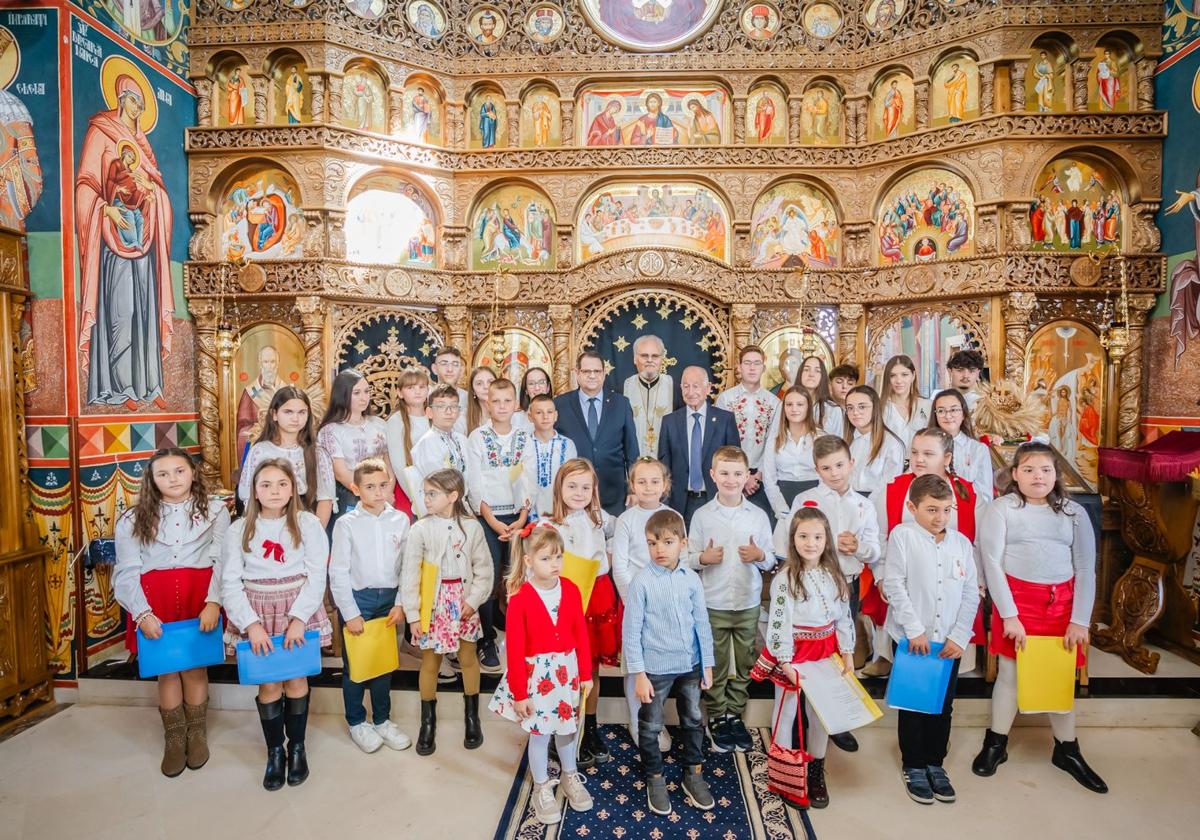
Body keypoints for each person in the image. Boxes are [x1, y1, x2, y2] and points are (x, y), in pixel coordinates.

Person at [973, 443, 1106, 793]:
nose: (1038, 476)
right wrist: (1010, 616)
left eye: (1046, 470)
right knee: (1011, 674)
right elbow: (992, 563)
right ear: (1015, 474)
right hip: (1017, 603)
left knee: (1060, 676)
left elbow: (1085, 567)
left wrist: (1080, 620)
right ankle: (995, 744)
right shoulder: (1002, 509)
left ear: (1056, 475)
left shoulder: (1073, 512)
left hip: (1061, 606)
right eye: (1029, 469)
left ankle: (1067, 750)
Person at [114, 448, 230, 777]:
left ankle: (197, 733)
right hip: (154, 601)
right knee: (167, 671)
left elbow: (222, 557)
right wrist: (142, 614)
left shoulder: (216, 511)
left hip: (199, 595)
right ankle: (174, 737)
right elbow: (127, 570)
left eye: (179, 471)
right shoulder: (133, 518)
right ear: (151, 480)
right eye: (162, 474)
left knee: (194, 669)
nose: (172, 479)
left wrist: (214, 602)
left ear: (193, 472)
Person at [222, 459, 331, 791]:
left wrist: (299, 619)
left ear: (293, 488)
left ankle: (296, 748)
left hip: (296, 609)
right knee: (269, 684)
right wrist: (251, 625)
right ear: (253, 490)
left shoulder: (308, 524)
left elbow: (316, 575)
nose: (273, 491)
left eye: (281, 484)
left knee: (296, 680)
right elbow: (229, 582)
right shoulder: (239, 529)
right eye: (265, 484)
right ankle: (275, 752)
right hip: (257, 612)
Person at [882, 474, 980, 805]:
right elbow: (894, 584)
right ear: (912, 507)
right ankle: (913, 764)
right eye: (932, 510)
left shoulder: (961, 544)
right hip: (914, 639)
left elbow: (970, 593)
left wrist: (960, 635)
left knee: (943, 703)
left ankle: (935, 762)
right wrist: (914, 630)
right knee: (913, 703)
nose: (940, 518)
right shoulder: (902, 536)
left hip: (948, 642)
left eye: (946, 510)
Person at [488, 525, 594, 825]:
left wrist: (585, 673)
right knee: (540, 732)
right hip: (538, 678)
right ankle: (541, 785)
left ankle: (569, 776)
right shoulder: (520, 598)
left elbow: (580, 635)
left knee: (567, 729)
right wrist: (520, 694)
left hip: (567, 672)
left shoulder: (571, 589)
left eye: (559, 557)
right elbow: (516, 650)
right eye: (547, 558)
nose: (556, 564)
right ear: (529, 561)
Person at [862, 428, 983, 677]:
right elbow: (881, 536)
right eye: (915, 452)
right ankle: (888, 656)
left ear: (947, 458)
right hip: (905, 581)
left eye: (928, 453)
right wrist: (881, 576)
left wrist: (978, 583)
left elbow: (976, 543)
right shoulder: (894, 489)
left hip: (950, 584)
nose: (919, 459)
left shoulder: (967, 494)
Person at [758, 507, 855, 808]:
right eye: (803, 536)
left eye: (817, 536)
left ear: (826, 540)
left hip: (826, 651)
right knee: (786, 712)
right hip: (795, 653)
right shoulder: (785, 579)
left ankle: (815, 772)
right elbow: (778, 624)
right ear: (793, 539)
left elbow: (843, 618)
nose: (810, 543)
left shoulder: (834, 576)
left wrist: (848, 652)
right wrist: (785, 662)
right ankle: (785, 776)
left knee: (820, 714)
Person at [623, 509, 716, 816]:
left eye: (667, 542)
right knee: (650, 726)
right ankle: (655, 777)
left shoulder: (691, 579)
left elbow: (701, 622)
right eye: (652, 543)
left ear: (683, 543)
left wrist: (707, 664)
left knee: (692, 720)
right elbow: (631, 631)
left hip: (689, 665)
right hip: (654, 669)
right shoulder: (642, 582)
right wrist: (638, 674)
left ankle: (693, 773)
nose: (659, 549)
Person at [688, 446, 775, 753]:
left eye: (738, 474)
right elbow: (688, 559)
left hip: (748, 602)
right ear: (712, 476)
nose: (731, 479)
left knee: (747, 660)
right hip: (714, 602)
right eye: (723, 473)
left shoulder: (758, 515)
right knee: (718, 662)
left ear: (747, 476)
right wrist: (703, 557)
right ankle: (717, 715)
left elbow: (770, 560)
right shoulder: (701, 516)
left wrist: (760, 555)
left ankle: (735, 713)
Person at [402, 469, 492, 756]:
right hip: (435, 604)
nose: (426, 498)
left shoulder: (471, 527)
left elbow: (484, 569)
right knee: (430, 661)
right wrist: (414, 615)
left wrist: (474, 600)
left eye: (432, 493)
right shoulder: (420, 529)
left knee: (467, 656)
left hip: (463, 602)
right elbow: (410, 575)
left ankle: (471, 716)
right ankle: (427, 721)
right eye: (425, 493)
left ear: (452, 496)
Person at [328, 458, 412, 754]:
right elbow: (338, 571)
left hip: (389, 600)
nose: (378, 492)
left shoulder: (401, 520)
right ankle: (356, 721)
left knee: (384, 662)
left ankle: (382, 719)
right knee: (356, 666)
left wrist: (401, 602)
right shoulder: (346, 524)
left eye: (383, 485)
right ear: (356, 489)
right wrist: (349, 613)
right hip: (358, 599)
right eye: (370, 487)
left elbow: (407, 567)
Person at [781, 436, 882, 679]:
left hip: (848, 581)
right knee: (814, 644)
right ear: (817, 469)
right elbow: (790, 541)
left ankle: (838, 698)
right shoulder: (805, 500)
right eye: (826, 468)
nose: (834, 473)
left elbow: (875, 549)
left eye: (839, 465)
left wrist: (858, 546)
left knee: (844, 641)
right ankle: (809, 693)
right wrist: (826, 545)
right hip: (810, 582)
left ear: (851, 463)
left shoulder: (864, 505)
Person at [548, 458, 618, 766]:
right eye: (572, 486)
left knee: (591, 668)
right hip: (567, 598)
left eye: (586, 487)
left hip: (598, 594)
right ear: (559, 487)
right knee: (566, 666)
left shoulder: (600, 518)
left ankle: (589, 727)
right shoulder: (551, 525)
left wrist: (614, 553)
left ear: (594, 490)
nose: (579, 492)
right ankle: (562, 727)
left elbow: (625, 529)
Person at [466, 378, 533, 672]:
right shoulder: (478, 438)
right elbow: (474, 482)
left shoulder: (524, 437)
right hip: (488, 517)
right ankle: (487, 638)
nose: (502, 406)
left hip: (518, 517)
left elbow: (526, 477)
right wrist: (492, 521)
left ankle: (520, 635)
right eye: (496, 401)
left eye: (508, 401)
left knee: (515, 577)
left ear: (516, 404)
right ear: (488, 403)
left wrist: (521, 517)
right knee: (488, 577)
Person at [611, 457, 673, 749]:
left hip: (664, 602)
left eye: (654, 481)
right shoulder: (626, 519)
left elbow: (677, 560)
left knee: (659, 665)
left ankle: (654, 722)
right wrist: (632, 600)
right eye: (642, 481)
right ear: (632, 485)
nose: (648, 487)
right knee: (636, 665)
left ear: (665, 485)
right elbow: (620, 566)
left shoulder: (673, 517)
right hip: (634, 601)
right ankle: (636, 722)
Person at [554, 351, 640, 515]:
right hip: (574, 496)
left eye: (597, 371)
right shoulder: (560, 404)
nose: (592, 376)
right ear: (577, 373)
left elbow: (632, 452)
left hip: (614, 494)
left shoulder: (621, 404)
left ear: (604, 373)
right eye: (586, 371)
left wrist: (633, 489)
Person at [238, 386, 334, 527]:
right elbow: (248, 496)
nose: (295, 418)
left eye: (302, 412)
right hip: (266, 523)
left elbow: (326, 499)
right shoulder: (260, 451)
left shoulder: (317, 453)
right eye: (288, 412)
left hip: (305, 523)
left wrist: (316, 535)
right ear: (274, 414)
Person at [657, 366, 740, 524]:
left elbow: (735, 463)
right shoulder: (670, 421)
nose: (690, 392)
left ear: (708, 388)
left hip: (716, 500)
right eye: (686, 386)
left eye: (696, 386)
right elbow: (664, 466)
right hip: (680, 503)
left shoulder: (725, 420)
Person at [317, 369, 392, 534]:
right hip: (351, 496)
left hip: (383, 496)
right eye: (356, 392)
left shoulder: (379, 424)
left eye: (366, 391)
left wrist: (386, 491)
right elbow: (341, 473)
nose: (364, 397)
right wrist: (371, 492)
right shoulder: (330, 431)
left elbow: (388, 463)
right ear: (342, 395)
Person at [716, 344, 781, 522]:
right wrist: (740, 476)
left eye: (757, 363)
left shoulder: (774, 402)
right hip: (730, 474)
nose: (752, 368)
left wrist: (757, 476)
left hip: (761, 477)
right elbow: (721, 441)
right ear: (739, 367)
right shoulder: (726, 399)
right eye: (747, 363)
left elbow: (772, 441)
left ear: (764, 368)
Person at [762, 386, 820, 517]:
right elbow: (769, 479)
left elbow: (825, 477)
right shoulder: (774, 440)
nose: (794, 409)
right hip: (782, 494)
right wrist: (780, 507)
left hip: (814, 494)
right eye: (789, 404)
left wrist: (817, 503)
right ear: (784, 408)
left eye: (800, 404)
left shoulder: (820, 438)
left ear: (808, 408)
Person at [929, 389, 994, 504]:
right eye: (941, 411)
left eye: (954, 410)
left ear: (963, 413)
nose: (948, 416)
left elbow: (985, 495)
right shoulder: (925, 446)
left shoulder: (978, 449)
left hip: (968, 511)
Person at [385, 368, 431, 517]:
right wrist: (418, 498)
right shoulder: (396, 421)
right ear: (399, 392)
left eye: (422, 387)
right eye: (411, 387)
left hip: (438, 488)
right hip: (411, 491)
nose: (417, 391)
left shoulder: (434, 416)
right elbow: (399, 465)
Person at [622, 335, 676, 457]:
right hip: (634, 463)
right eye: (644, 356)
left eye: (655, 356)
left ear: (662, 359)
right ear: (635, 359)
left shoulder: (674, 387)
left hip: (665, 463)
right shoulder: (624, 386)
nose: (650, 360)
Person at [526, 393, 576, 519]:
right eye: (539, 412)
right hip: (530, 514)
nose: (545, 417)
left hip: (561, 513)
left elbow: (572, 480)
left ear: (556, 416)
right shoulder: (524, 445)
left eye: (549, 412)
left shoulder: (567, 444)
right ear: (530, 417)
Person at [412, 384, 469, 480]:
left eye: (454, 406)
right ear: (429, 412)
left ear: (459, 412)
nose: (449, 411)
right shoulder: (427, 443)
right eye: (441, 406)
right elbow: (437, 481)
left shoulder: (462, 439)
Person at [881, 354, 932, 449]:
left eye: (904, 375)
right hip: (888, 463)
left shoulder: (927, 405)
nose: (899, 380)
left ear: (913, 376)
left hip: (919, 462)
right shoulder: (879, 408)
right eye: (893, 376)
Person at [798, 356, 845, 436]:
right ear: (800, 374)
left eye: (817, 370)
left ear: (822, 377)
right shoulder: (788, 404)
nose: (811, 374)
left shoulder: (833, 410)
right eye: (806, 369)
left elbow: (837, 443)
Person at [430, 346, 469, 435]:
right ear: (434, 369)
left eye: (455, 364)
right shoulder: (425, 397)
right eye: (444, 364)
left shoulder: (469, 399)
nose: (450, 369)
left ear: (462, 370)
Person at [946, 349, 985, 414]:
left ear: (978, 373)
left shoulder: (985, 405)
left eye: (971, 371)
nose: (966, 376)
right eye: (960, 370)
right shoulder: (939, 401)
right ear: (950, 372)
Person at [466, 366, 497, 433]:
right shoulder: (463, 419)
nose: (486, 387)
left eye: (490, 382)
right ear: (473, 391)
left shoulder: (510, 414)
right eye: (479, 383)